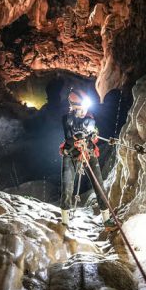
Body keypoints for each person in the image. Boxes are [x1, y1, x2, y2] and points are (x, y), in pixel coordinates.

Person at [59, 88, 115, 229]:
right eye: (80, 108)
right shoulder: (67, 119)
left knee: (99, 186)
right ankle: (64, 221)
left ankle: (107, 220)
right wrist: (79, 139)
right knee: (67, 187)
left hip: (88, 152)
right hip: (71, 153)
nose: (83, 111)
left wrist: (92, 135)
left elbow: (92, 131)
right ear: (73, 107)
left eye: (85, 108)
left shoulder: (90, 118)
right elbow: (69, 138)